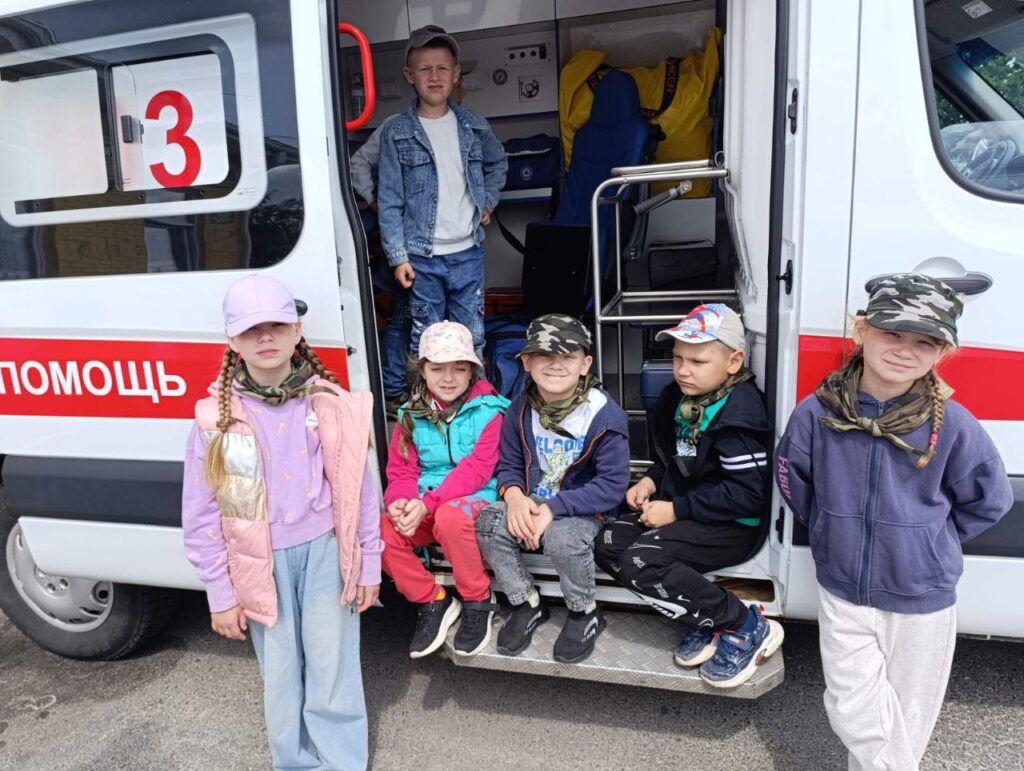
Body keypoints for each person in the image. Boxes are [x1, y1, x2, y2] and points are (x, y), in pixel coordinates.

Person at [774, 274, 1012, 769]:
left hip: (922, 598)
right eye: (892, 333)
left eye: (924, 342)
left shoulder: (954, 424)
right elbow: (794, 481)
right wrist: (831, 530)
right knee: (853, 708)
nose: (905, 350)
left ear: (942, 352)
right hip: (843, 590)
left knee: (908, 716)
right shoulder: (816, 414)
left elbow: (990, 498)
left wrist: (929, 542)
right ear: (861, 331)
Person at [181, 275, 381, 770]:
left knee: (333, 666)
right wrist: (220, 592)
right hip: (259, 564)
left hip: (326, 554)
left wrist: (369, 562)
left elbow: (360, 491)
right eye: (251, 329)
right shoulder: (215, 420)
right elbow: (201, 513)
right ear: (232, 340)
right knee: (281, 674)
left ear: (297, 331)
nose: (265, 337)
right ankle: (295, 763)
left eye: (276, 325)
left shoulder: (331, 403)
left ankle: (341, 762)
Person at [594, 303, 782, 689]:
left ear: (734, 361)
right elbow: (679, 460)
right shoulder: (685, 400)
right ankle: (704, 616)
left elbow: (748, 496)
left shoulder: (739, 414)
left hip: (731, 525)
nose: (683, 369)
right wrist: (651, 481)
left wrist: (675, 510)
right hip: (691, 513)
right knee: (607, 542)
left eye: (697, 361)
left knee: (642, 561)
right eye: (678, 358)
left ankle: (746, 626)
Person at [475, 314, 630, 664]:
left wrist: (551, 509)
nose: (556, 365)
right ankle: (525, 602)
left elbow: (611, 486)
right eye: (544, 355)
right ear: (527, 362)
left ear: (585, 364)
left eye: (568, 356)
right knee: (488, 523)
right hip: (535, 500)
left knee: (562, 538)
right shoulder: (520, 408)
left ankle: (584, 610)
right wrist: (515, 498)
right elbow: (509, 465)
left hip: (586, 507)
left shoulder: (604, 415)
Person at [379, 320, 509, 658]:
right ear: (422, 371)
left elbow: (478, 469)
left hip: (480, 495)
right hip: (427, 500)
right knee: (381, 529)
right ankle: (433, 600)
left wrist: (428, 503)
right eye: (437, 368)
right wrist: (400, 501)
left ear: (472, 371)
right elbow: (402, 470)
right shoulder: (410, 415)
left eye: (459, 368)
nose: (448, 378)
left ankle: (478, 599)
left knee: (450, 517)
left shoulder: (493, 411)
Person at [377, 25, 507, 361]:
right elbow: (389, 201)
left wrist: (487, 202)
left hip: (468, 252)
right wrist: (398, 257)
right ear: (409, 75)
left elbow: (498, 164)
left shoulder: (474, 125)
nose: (434, 77)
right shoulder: (396, 132)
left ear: (456, 73)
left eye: (442, 68)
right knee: (427, 338)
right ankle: (428, 396)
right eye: (424, 69)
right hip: (421, 257)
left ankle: (475, 395)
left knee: (471, 335)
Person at [350, 79, 466, 414]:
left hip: (436, 245)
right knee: (406, 317)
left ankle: (401, 390)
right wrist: (375, 202)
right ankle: (395, 390)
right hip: (403, 243)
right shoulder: (396, 127)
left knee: (412, 317)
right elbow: (358, 164)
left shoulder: (460, 126)